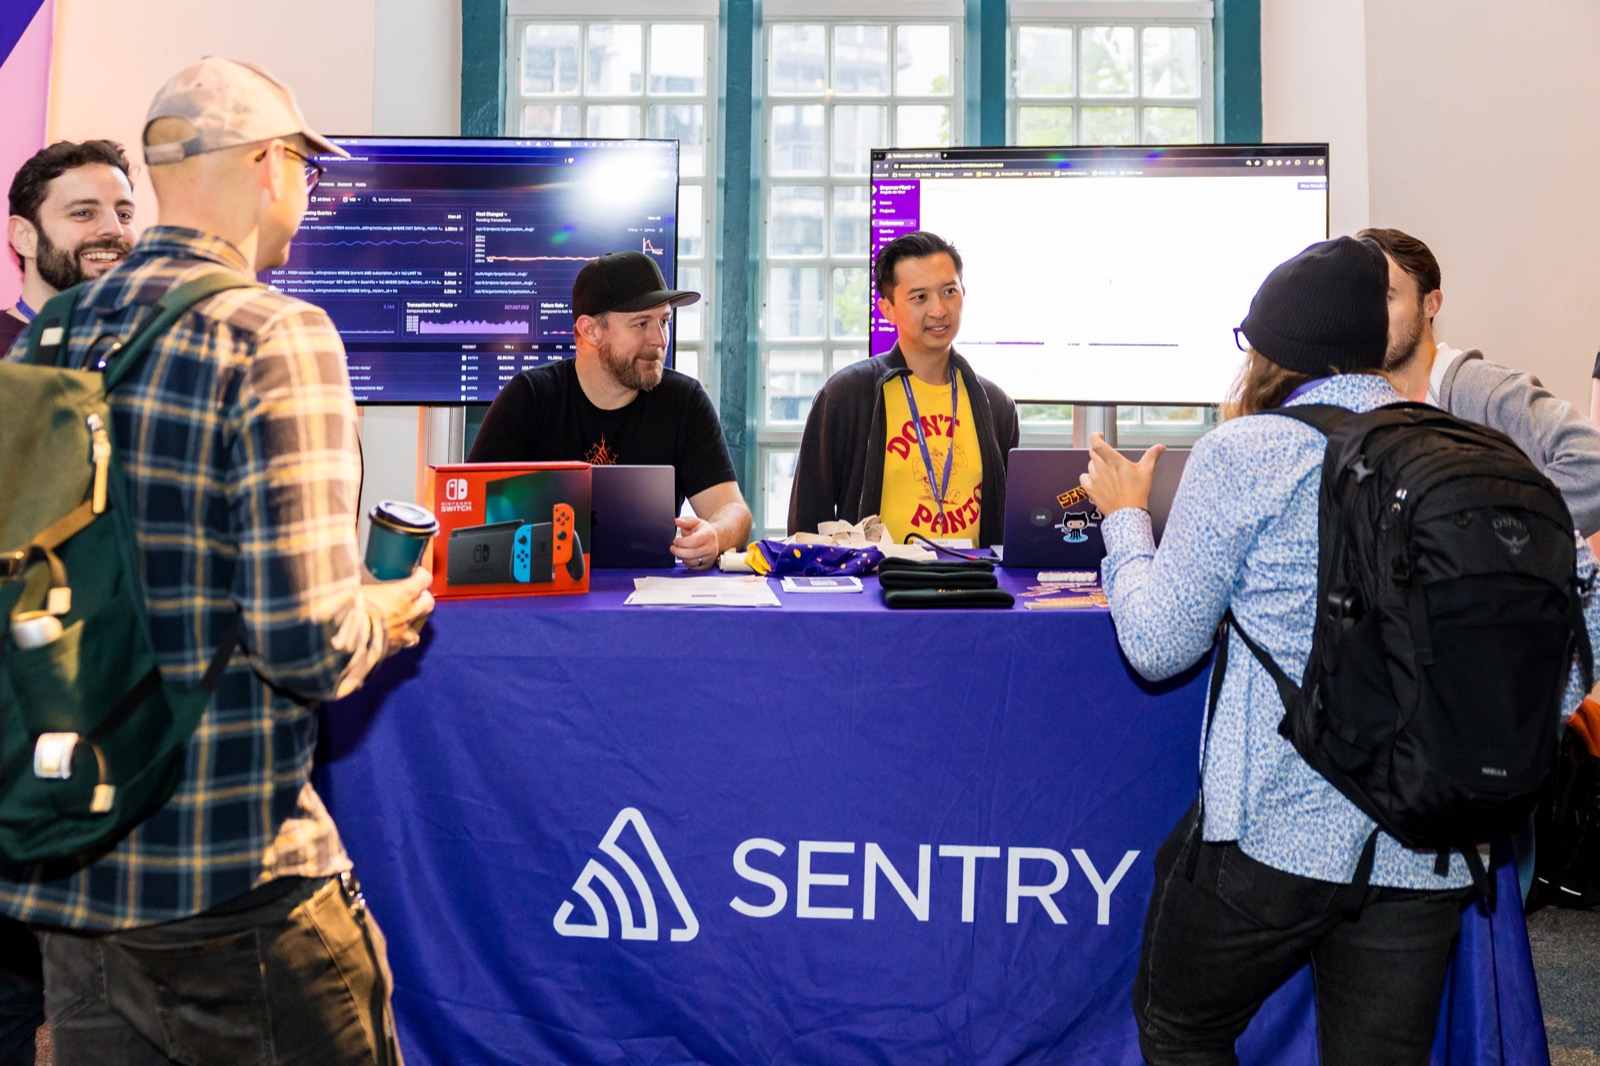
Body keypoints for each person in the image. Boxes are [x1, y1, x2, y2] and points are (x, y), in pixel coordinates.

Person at [0, 57, 433, 1065]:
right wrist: (386, 606)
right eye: (306, 171)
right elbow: (308, 645)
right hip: (230, 876)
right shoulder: (274, 335)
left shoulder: (47, 337)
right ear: (273, 164)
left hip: (74, 871)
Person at [1079, 236, 1599, 1064]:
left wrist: (1125, 519)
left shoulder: (1247, 452)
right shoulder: (1477, 456)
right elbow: (1574, 654)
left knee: (1181, 1026)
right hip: (1428, 845)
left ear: (1268, 353)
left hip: (1273, 837)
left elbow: (1157, 644)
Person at [468, 251, 750, 569]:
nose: (659, 339)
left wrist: (714, 534)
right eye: (641, 323)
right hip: (542, 601)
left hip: (648, 604)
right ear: (590, 330)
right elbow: (471, 518)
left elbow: (734, 512)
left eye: (664, 321)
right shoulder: (528, 399)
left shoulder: (685, 401)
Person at [1360, 226, 1600, 537]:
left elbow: (1593, 460)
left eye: (1388, 297)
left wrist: (1497, 532)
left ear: (1430, 304)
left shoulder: (1478, 390)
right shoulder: (1358, 402)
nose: (1371, 315)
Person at [787, 230, 1018, 547]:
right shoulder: (847, 396)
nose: (938, 309)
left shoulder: (995, 405)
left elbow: (1009, 525)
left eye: (949, 291)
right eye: (919, 297)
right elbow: (806, 527)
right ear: (888, 309)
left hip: (972, 587)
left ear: (964, 292)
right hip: (877, 588)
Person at [2, 139, 138, 355]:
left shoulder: (147, 350)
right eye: (83, 213)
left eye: (124, 215)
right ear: (24, 237)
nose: (115, 229)